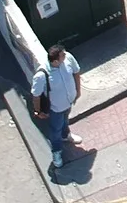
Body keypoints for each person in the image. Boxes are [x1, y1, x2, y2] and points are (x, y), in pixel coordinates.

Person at [31, 47, 82, 176]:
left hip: (68, 103)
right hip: (55, 109)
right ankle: (56, 153)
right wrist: (38, 111)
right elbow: (36, 95)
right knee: (55, 131)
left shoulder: (68, 58)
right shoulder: (42, 75)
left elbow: (76, 72)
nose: (65, 55)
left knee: (65, 120)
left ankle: (66, 136)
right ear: (55, 61)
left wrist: (77, 91)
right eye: (62, 55)